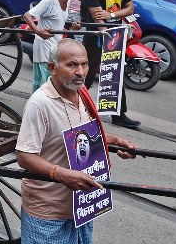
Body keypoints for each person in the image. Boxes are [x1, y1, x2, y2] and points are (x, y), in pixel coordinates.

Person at [16, 39, 137, 244]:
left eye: (84, 64)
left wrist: (113, 141)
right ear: (53, 67)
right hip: (48, 211)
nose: (81, 72)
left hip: (80, 204)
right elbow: (24, 156)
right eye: (72, 65)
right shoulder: (40, 104)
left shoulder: (81, 94)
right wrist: (61, 174)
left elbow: (81, 136)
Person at [80, 0, 141, 129]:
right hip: (96, 38)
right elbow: (97, 17)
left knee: (116, 74)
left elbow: (130, 8)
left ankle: (119, 116)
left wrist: (112, 15)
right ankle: (74, 110)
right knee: (87, 75)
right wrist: (107, 35)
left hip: (115, 36)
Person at [23, 0, 81, 92]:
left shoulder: (68, 1)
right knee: (46, 83)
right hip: (44, 46)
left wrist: (72, 27)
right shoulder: (51, 0)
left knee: (52, 82)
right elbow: (27, 15)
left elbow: (59, 22)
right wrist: (38, 31)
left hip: (55, 46)